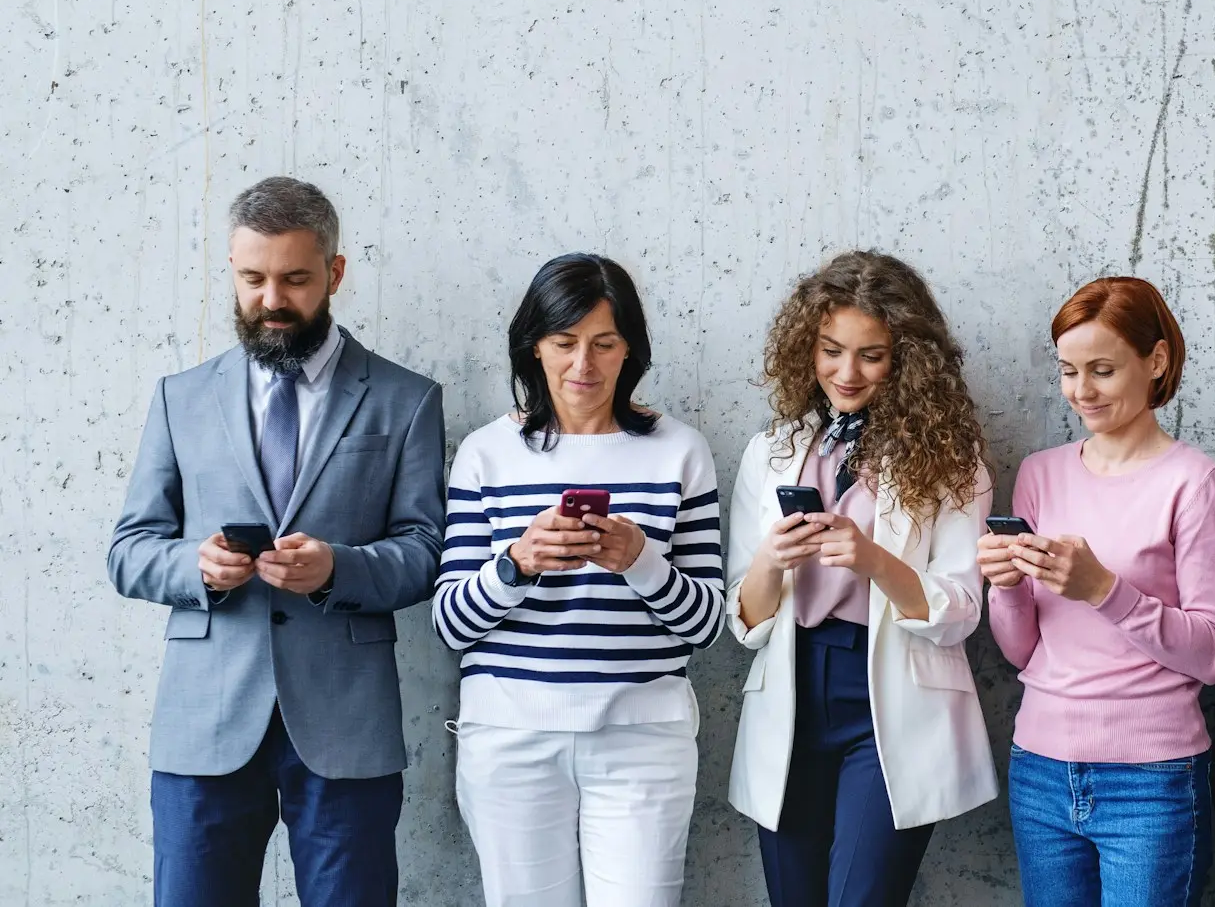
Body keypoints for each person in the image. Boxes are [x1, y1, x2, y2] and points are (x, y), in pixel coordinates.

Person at [107, 177, 445, 907]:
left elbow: (426, 552)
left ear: (335, 273)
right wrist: (196, 566)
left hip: (345, 721)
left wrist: (338, 569)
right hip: (206, 719)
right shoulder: (180, 396)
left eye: (294, 279)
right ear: (232, 269)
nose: (271, 300)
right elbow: (129, 550)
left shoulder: (406, 398)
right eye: (253, 279)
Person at [431, 254, 723, 907]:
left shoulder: (681, 450)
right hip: (508, 739)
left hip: (644, 740)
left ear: (630, 350)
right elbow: (449, 625)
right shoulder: (485, 453)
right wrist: (517, 563)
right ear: (534, 346)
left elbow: (706, 625)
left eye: (604, 344)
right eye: (564, 343)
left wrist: (640, 560)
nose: (583, 365)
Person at [726, 250, 996, 907]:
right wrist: (770, 560)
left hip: (890, 702)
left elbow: (961, 610)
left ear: (907, 359)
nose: (846, 374)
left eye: (871, 356)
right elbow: (745, 623)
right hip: (791, 695)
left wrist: (876, 560)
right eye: (830, 351)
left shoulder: (952, 462)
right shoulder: (771, 452)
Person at [982, 276, 1215, 907]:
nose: (1082, 391)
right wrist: (1005, 587)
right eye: (1069, 372)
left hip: (1152, 779)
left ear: (1156, 361)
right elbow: (1021, 651)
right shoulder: (1040, 474)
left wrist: (1104, 590)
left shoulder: (1194, 483)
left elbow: (1214, 654)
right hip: (1039, 767)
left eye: (1102, 370)